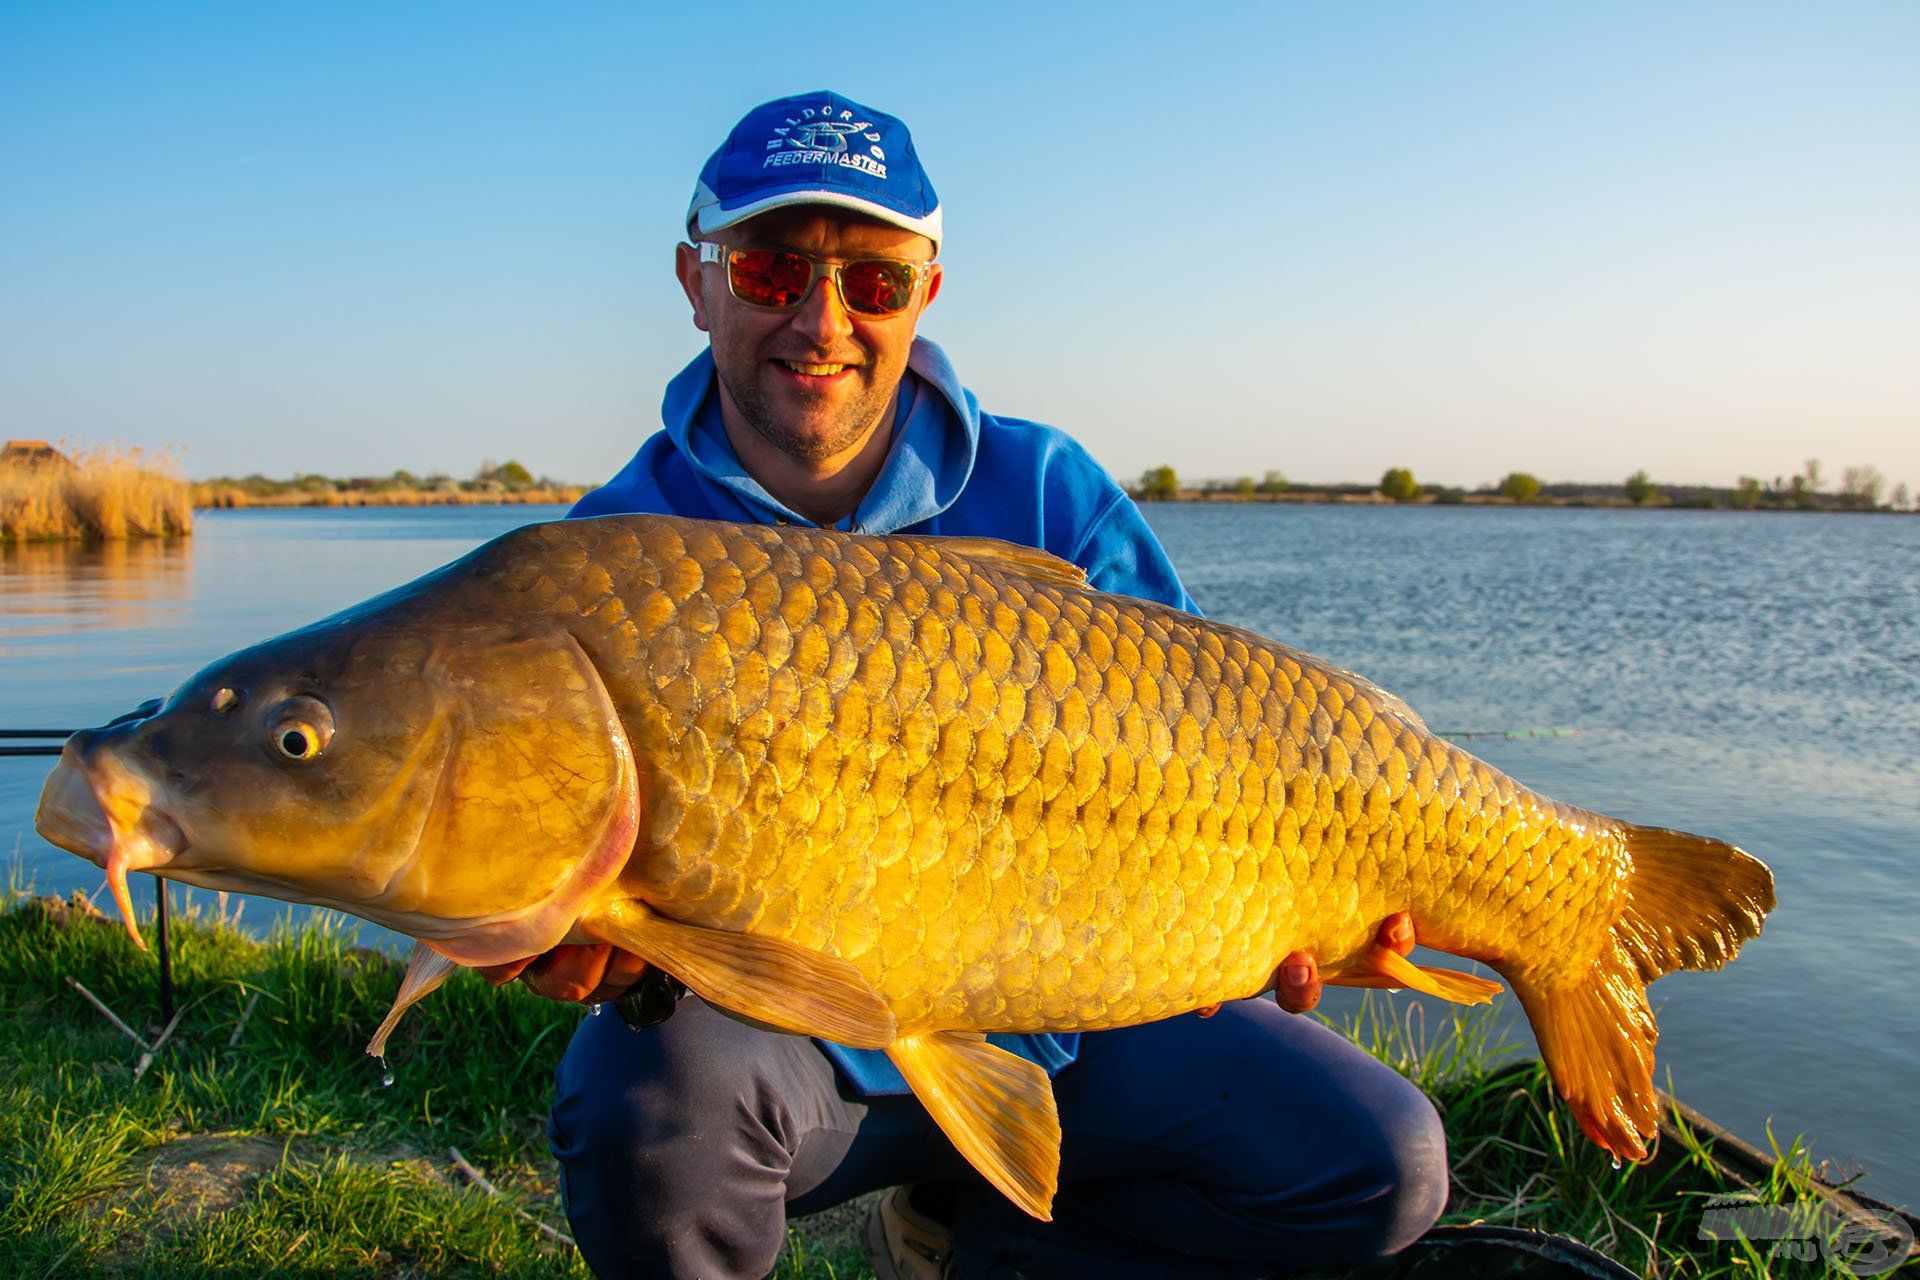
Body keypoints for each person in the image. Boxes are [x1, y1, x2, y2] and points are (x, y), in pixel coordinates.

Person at [479, 91, 1448, 1280]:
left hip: (1078, 1029)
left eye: (874, 280)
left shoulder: (1049, 492)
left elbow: (1219, 767)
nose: (822, 320)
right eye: (775, 270)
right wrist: (577, 944)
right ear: (697, 280)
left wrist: (1274, 920)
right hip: (793, 1056)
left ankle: (975, 1252)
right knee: (639, 1103)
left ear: (925, 292)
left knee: (1380, 1158)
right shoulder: (616, 556)